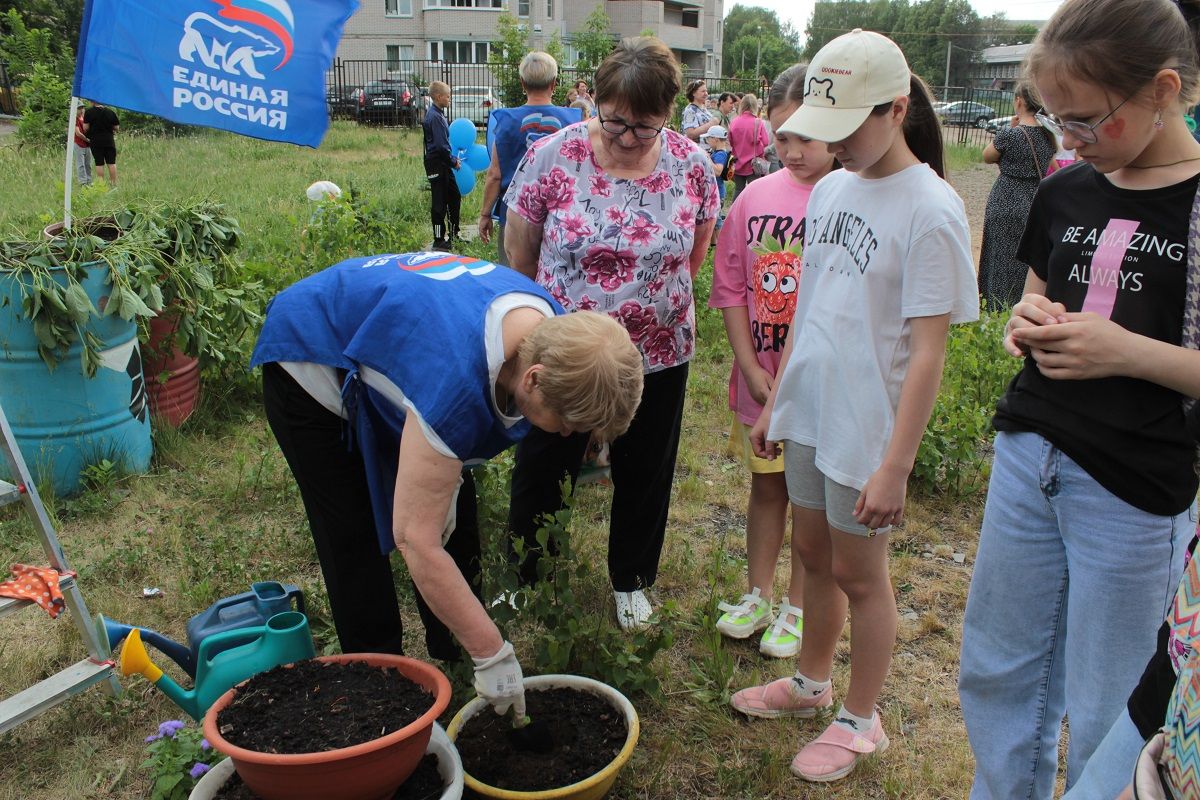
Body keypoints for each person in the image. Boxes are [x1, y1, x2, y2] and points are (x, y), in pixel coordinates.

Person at [957, 0, 1200, 796]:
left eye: (1088, 120)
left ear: (1164, 89)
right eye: (1060, 119)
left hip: (1137, 490)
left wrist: (1124, 352)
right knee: (999, 667)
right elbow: (1030, 303)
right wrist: (1023, 325)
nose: (1070, 140)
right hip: (1030, 457)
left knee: (1112, 703)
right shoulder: (1069, 189)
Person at [730, 29, 977, 782]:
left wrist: (896, 466)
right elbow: (813, 302)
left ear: (896, 108)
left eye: (848, 129)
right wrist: (780, 402)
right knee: (813, 556)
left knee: (862, 576)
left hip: (869, 429)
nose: (831, 146)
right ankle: (811, 685)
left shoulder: (932, 208)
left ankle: (861, 720)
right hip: (812, 411)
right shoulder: (834, 187)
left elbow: (928, 353)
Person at [250, 251, 643, 722]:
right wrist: (493, 654)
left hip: (413, 351)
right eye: (567, 423)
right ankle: (376, 684)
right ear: (534, 379)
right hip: (311, 354)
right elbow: (414, 539)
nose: (567, 436)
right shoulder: (456, 384)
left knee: (455, 517)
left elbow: (450, 447)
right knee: (354, 534)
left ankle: (451, 651)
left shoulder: (555, 335)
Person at [502, 36, 719, 630]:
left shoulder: (693, 167)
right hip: (564, 351)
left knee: (647, 467)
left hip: (657, 351)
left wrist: (646, 310)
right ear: (595, 102)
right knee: (545, 460)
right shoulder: (552, 156)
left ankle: (631, 580)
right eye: (615, 121)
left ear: (668, 115)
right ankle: (528, 576)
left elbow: (693, 254)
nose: (626, 137)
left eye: (643, 127)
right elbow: (519, 255)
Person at [708, 64, 837, 659]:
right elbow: (731, 286)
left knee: (811, 504)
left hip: (816, 386)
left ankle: (799, 606)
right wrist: (750, 366)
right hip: (757, 380)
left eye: (806, 137)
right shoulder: (754, 197)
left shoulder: (845, 202)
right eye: (781, 136)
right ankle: (758, 593)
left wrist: (785, 376)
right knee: (767, 490)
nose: (791, 150)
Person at [478, 52, 582, 266]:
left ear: (522, 83)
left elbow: (495, 175)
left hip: (515, 214)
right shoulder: (573, 122)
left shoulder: (506, 121)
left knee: (515, 278)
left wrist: (485, 215)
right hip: (560, 215)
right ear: (554, 84)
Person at [977, 82, 1058, 311]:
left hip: (1004, 199)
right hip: (1034, 201)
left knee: (999, 255)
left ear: (1019, 101)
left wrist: (1011, 129)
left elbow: (987, 156)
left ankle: (995, 305)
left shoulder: (1009, 135)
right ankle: (1020, 302)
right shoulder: (1047, 136)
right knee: (1025, 256)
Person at [423, 81, 460, 251]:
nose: (449, 98)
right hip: (437, 164)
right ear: (438, 97)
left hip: (444, 163)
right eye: (447, 96)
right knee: (439, 203)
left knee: (454, 196)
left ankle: (454, 234)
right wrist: (453, 161)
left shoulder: (438, 114)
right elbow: (439, 146)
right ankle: (439, 239)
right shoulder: (435, 117)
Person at [728, 93, 769, 201]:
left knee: (738, 190)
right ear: (755, 106)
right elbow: (766, 141)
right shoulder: (757, 122)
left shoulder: (734, 121)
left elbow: (730, 142)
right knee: (754, 191)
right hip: (753, 164)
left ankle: (735, 215)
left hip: (737, 162)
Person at [701, 124, 731, 245]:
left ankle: (721, 244)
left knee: (717, 219)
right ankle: (713, 244)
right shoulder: (717, 152)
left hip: (718, 191)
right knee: (713, 217)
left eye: (708, 138)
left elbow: (718, 171)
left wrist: (707, 158)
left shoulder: (720, 154)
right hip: (716, 190)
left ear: (716, 139)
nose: (707, 141)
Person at [83, 100, 119, 188]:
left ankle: (101, 184)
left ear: (93, 102)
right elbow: (117, 127)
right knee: (111, 162)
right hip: (109, 140)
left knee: (99, 163)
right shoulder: (110, 112)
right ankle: (113, 183)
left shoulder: (88, 112)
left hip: (95, 141)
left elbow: (85, 128)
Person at [73, 106, 92, 188]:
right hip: (79, 144)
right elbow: (78, 133)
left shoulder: (84, 118)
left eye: (82, 108)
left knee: (88, 164)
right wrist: (87, 139)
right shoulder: (75, 119)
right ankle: (83, 183)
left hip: (87, 145)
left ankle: (89, 181)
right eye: (79, 108)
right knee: (81, 165)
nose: (81, 110)